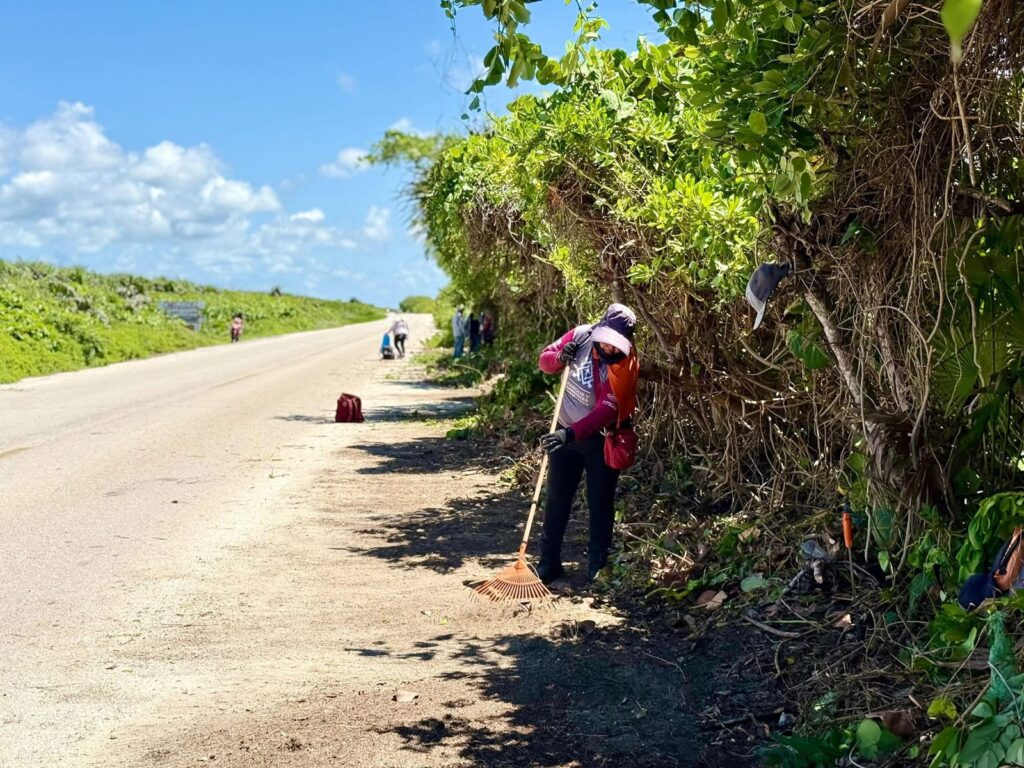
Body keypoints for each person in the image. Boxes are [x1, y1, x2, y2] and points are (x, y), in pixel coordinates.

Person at [536, 303, 640, 584]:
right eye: (605, 341)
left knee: (600, 502)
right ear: (599, 329)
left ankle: (597, 568)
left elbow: (607, 409)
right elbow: (544, 361)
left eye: (616, 344)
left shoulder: (626, 363)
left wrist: (568, 435)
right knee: (557, 497)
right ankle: (548, 563)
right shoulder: (581, 336)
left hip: (600, 438)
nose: (609, 349)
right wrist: (559, 358)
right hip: (565, 428)